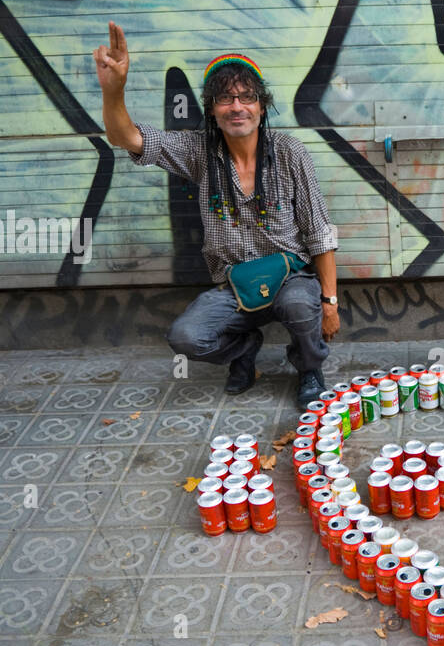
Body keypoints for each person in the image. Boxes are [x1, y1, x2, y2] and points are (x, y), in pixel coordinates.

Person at [93, 21, 339, 406]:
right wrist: (114, 90)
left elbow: (319, 232)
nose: (237, 107)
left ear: (262, 105)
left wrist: (330, 302)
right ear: (211, 109)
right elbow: (126, 137)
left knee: (299, 305)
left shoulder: (291, 152)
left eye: (247, 97)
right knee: (185, 336)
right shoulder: (198, 151)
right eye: (225, 99)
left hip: (292, 278)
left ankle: (308, 367)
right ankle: (243, 351)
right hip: (233, 286)